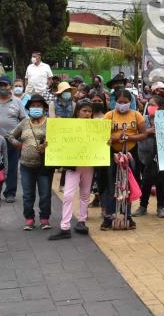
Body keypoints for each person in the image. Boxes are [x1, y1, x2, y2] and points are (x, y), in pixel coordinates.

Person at [49, 100, 97, 240]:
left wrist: (106, 142)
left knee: (85, 194)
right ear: (78, 112)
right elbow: (59, 140)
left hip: (89, 164)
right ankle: (65, 226)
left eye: (89, 111)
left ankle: (81, 221)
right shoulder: (68, 126)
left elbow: (100, 142)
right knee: (68, 195)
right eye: (84, 111)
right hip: (73, 165)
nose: (87, 114)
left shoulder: (96, 127)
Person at [101, 89, 149, 230]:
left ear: (130, 102)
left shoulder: (136, 115)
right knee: (112, 185)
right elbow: (102, 135)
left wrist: (129, 137)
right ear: (115, 102)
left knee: (128, 185)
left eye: (125, 102)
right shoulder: (109, 115)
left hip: (131, 154)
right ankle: (109, 217)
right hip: (113, 153)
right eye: (119, 102)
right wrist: (116, 138)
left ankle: (127, 215)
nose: (122, 105)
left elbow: (144, 134)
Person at [9, 94, 54, 230]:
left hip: (44, 165)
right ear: (28, 108)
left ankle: (44, 219)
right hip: (26, 165)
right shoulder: (24, 123)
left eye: (38, 106)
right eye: (33, 106)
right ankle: (29, 219)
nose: (36, 108)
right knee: (28, 194)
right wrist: (18, 144)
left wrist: (47, 145)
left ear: (44, 108)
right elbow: (10, 135)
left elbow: (59, 141)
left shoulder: (51, 123)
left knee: (45, 194)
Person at [134, 95, 164, 219]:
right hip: (145, 156)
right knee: (146, 182)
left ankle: (161, 207)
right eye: (149, 104)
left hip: (162, 156)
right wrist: (148, 131)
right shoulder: (143, 119)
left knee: (161, 182)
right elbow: (136, 133)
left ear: (160, 107)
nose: (150, 107)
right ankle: (143, 206)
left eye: (153, 105)